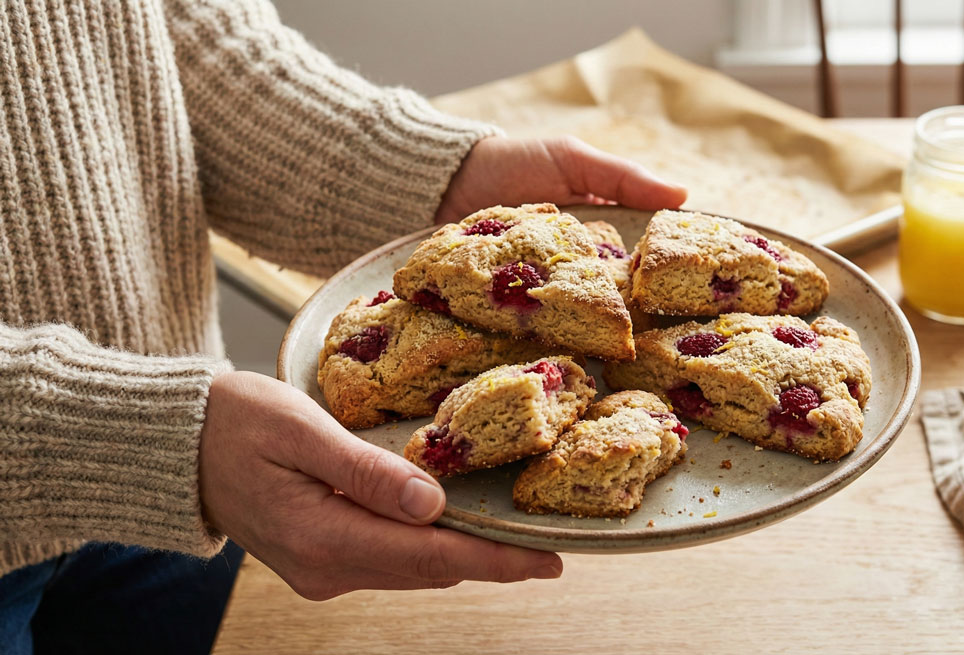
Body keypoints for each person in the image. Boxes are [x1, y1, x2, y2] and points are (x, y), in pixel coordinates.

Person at [0, 0, 687, 652]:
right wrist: (144, 433)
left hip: (188, 499)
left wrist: (430, 183)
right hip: (168, 450)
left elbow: (163, 41)